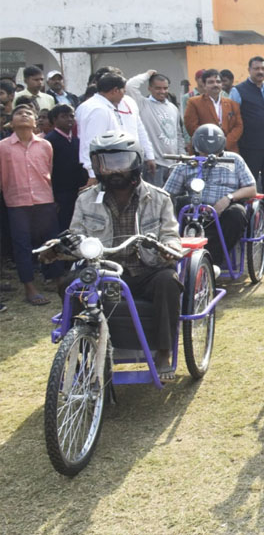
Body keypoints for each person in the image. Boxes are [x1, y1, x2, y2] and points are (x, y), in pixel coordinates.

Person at [62, 131, 183, 378]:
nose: (113, 171)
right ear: (96, 166)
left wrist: (169, 250)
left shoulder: (159, 198)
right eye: (105, 164)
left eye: (121, 163)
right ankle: (80, 344)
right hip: (103, 269)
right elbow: (76, 236)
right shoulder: (85, 200)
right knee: (67, 285)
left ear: (136, 162)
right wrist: (65, 248)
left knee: (168, 282)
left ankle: (162, 352)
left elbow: (171, 234)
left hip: (147, 270)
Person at [164, 124, 257, 266]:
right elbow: (167, 194)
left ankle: (214, 261)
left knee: (237, 213)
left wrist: (228, 198)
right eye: (204, 154)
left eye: (212, 154)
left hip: (224, 211)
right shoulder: (186, 164)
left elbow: (251, 189)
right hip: (194, 210)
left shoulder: (234, 160)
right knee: (180, 203)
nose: (208, 157)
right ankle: (181, 255)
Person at [0, 104, 63, 305]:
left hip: (44, 200)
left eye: (28, 113)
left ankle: (56, 279)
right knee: (22, 245)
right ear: (11, 122)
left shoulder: (45, 145)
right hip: (17, 203)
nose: (24, 116)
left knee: (51, 242)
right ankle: (29, 286)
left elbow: (49, 171)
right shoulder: (3, 147)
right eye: (19, 113)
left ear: (36, 122)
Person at [75, 72, 156, 183]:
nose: (124, 95)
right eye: (123, 91)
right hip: (104, 171)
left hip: (118, 166)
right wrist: (93, 174)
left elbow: (140, 129)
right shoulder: (98, 109)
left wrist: (148, 155)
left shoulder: (108, 105)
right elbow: (90, 144)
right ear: (115, 91)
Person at [229, 57, 264, 214]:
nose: (260, 72)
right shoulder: (238, 90)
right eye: (256, 69)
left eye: (263, 69)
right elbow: (232, 119)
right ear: (249, 70)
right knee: (248, 186)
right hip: (249, 147)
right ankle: (247, 219)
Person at [126, 70, 184, 187]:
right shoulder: (143, 104)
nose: (162, 91)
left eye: (165, 88)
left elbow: (178, 134)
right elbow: (130, 86)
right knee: (154, 200)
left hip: (172, 164)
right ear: (149, 88)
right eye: (158, 88)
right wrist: (146, 74)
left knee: (171, 200)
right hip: (154, 163)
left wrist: (181, 156)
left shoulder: (173, 108)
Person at [44, 105, 88, 231]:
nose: (69, 119)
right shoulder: (49, 141)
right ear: (54, 119)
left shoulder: (77, 141)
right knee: (63, 227)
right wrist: (53, 197)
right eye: (64, 116)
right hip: (60, 193)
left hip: (78, 191)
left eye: (71, 116)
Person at [183, 69, 243, 154]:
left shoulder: (232, 104)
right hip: (204, 150)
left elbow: (238, 126)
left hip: (228, 150)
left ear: (221, 84)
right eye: (211, 82)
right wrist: (213, 142)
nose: (215, 85)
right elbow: (191, 127)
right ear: (204, 85)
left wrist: (224, 142)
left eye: (218, 82)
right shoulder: (194, 103)